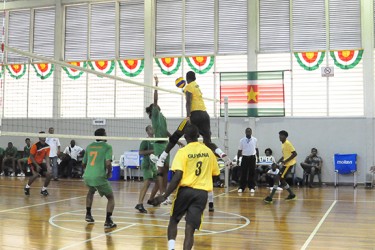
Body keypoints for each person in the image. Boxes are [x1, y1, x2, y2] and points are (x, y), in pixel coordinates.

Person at [153, 124, 220, 250]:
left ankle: (171, 248)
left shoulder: (182, 152)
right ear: (198, 136)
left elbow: (177, 176)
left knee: (174, 220)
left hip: (185, 191)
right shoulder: (208, 151)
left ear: (185, 136)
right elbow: (216, 174)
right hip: (201, 194)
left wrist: (164, 195)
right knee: (190, 229)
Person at [153, 71, 230, 169]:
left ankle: (161, 159)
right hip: (205, 115)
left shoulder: (188, 87)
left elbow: (188, 102)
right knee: (208, 142)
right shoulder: (196, 86)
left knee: (176, 135)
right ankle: (222, 154)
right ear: (195, 78)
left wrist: (188, 116)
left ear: (187, 78)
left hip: (195, 115)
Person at [145, 75, 173, 203]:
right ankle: (162, 195)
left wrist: (176, 140)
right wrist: (156, 83)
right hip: (158, 145)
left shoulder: (162, 116)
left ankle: (165, 195)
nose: (158, 106)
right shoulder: (155, 115)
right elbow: (155, 100)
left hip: (166, 144)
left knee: (166, 170)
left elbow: (166, 131)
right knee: (161, 171)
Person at [82, 128, 116, 229]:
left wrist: (89, 171)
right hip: (99, 177)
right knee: (111, 198)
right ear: (103, 136)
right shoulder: (107, 147)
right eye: (105, 134)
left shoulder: (89, 146)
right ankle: (108, 221)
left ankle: (88, 214)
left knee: (90, 192)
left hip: (87, 176)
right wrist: (109, 173)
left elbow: (83, 163)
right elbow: (108, 163)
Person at [264, 130, 297, 203]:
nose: (280, 137)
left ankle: (270, 197)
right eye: (279, 135)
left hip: (289, 164)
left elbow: (295, 154)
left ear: (285, 136)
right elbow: (284, 155)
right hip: (286, 164)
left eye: (281, 135)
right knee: (281, 179)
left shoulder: (287, 143)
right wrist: (278, 162)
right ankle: (292, 195)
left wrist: (286, 161)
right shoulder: (283, 144)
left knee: (278, 178)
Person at [135, 125, 159, 213]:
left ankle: (151, 199)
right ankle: (139, 203)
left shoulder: (156, 140)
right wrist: (152, 151)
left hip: (154, 164)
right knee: (147, 183)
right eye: (150, 128)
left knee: (159, 181)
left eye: (153, 128)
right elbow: (140, 152)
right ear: (147, 131)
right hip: (147, 164)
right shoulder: (145, 141)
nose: (152, 129)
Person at [24, 132, 52, 196]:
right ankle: (27, 187)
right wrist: (36, 165)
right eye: (42, 136)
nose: (44, 137)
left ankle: (43, 189)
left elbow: (47, 157)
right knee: (36, 175)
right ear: (39, 137)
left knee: (49, 174)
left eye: (44, 135)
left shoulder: (47, 146)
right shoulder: (35, 146)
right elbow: (31, 156)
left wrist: (48, 167)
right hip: (31, 162)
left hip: (40, 163)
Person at [237, 128, 259, 193]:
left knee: (252, 173)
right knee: (243, 173)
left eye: (249, 132)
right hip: (245, 157)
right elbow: (239, 150)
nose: (248, 133)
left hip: (252, 157)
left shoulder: (255, 140)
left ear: (251, 132)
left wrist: (258, 157)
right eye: (247, 132)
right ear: (245, 132)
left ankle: (251, 187)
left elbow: (257, 149)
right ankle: (241, 187)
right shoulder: (242, 140)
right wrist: (238, 159)